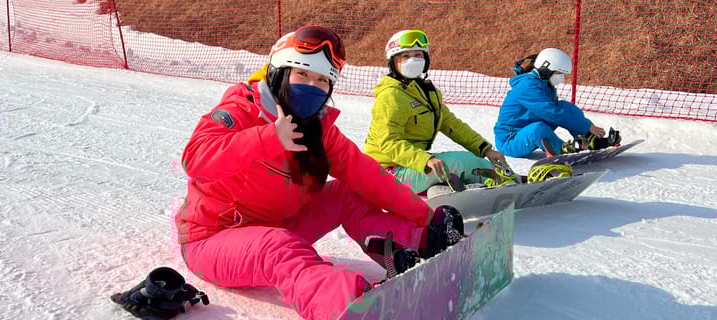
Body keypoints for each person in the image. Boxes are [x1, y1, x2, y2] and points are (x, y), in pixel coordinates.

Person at [176, 25, 465, 320]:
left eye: (322, 81)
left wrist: (426, 217)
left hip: (278, 224)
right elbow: (196, 158)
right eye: (302, 74)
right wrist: (268, 138)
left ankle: (418, 244)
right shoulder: (243, 110)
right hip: (213, 239)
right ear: (279, 73)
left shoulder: (319, 129)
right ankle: (350, 306)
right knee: (277, 247)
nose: (312, 87)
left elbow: (368, 176)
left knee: (346, 193)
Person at [363, 29, 516, 193]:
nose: (413, 60)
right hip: (386, 172)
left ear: (426, 60)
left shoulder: (426, 92)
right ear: (394, 62)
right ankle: (499, 186)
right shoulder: (390, 95)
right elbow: (389, 143)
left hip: (409, 165)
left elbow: (452, 124)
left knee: (472, 161)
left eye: (418, 55)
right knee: (460, 162)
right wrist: (425, 160)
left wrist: (486, 150)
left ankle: (500, 181)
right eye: (405, 56)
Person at [494, 48, 622, 158]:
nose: (561, 77)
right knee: (538, 127)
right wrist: (587, 126)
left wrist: (587, 129)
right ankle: (563, 149)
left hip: (527, 132)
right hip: (510, 141)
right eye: (559, 73)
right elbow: (552, 112)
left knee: (565, 107)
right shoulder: (527, 86)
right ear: (546, 69)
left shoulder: (545, 85)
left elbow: (561, 111)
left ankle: (589, 140)